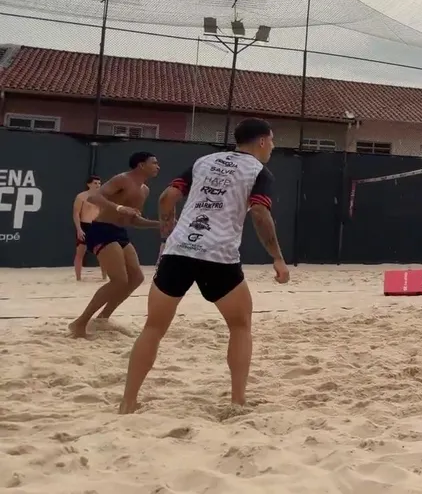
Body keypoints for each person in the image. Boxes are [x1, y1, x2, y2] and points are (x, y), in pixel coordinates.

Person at [118, 118, 290, 414]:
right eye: (271, 141)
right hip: (218, 255)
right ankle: (237, 401)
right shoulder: (259, 171)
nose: (272, 147)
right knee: (240, 326)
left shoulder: (204, 161)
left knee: (153, 328)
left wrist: (168, 228)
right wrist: (277, 257)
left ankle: (128, 402)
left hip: (179, 251)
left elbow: (167, 197)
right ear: (262, 141)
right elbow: (260, 213)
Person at [70, 153, 161, 338]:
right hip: (101, 229)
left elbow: (134, 220)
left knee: (136, 278)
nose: (158, 166)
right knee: (119, 280)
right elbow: (94, 198)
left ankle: (103, 318)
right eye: (154, 163)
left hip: (119, 232)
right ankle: (80, 323)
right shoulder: (122, 179)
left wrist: (160, 224)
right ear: (141, 165)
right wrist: (119, 208)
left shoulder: (144, 190)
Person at [72, 176, 106, 282]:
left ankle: (104, 277)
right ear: (89, 184)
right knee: (80, 252)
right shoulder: (81, 196)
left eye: (99, 183)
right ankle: (78, 278)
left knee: (102, 253)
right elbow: (76, 214)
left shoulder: (102, 196)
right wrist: (79, 229)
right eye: (95, 183)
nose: (98, 185)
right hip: (84, 226)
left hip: (97, 226)